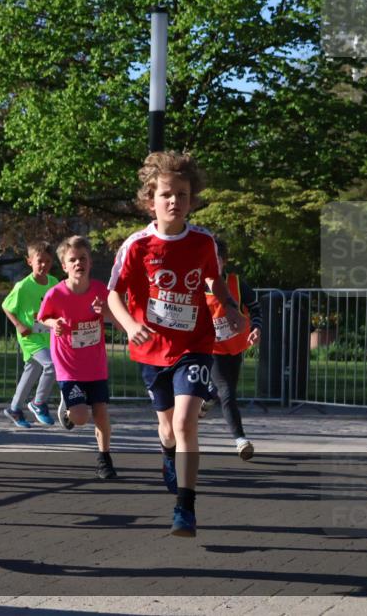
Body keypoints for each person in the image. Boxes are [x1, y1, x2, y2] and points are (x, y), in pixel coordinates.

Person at [106, 151, 246, 537]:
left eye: (182, 194)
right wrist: (131, 323)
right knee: (167, 430)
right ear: (150, 200)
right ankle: (167, 455)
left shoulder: (204, 242)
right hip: (152, 348)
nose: (174, 201)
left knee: (185, 422)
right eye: (166, 194)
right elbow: (112, 294)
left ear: (191, 199)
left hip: (195, 345)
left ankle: (185, 507)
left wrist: (230, 306)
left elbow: (215, 281)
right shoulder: (136, 246)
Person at [38, 236, 119, 479]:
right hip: (69, 366)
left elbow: (116, 317)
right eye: (72, 260)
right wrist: (55, 324)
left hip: (95, 365)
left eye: (82, 259)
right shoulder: (55, 294)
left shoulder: (99, 291)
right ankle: (69, 411)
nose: (77, 264)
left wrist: (104, 311)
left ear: (90, 262)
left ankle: (104, 459)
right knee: (81, 418)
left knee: (101, 413)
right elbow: (42, 317)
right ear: (64, 266)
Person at [201, 237, 261, 460]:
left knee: (223, 391)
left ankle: (207, 397)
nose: (211, 263)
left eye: (215, 259)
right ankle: (240, 440)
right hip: (212, 348)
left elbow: (255, 307)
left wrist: (257, 328)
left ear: (223, 261)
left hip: (235, 347)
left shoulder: (236, 283)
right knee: (228, 392)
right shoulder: (196, 287)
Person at [1, 240, 59, 428]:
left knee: (32, 371)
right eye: (40, 261)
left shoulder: (53, 282)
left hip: (47, 335)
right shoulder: (22, 286)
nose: (44, 265)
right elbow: (6, 306)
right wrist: (18, 325)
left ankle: (14, 408)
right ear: (30, 261)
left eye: (48, 261)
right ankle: (38, 403)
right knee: (51, 365)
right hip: (30, 337)